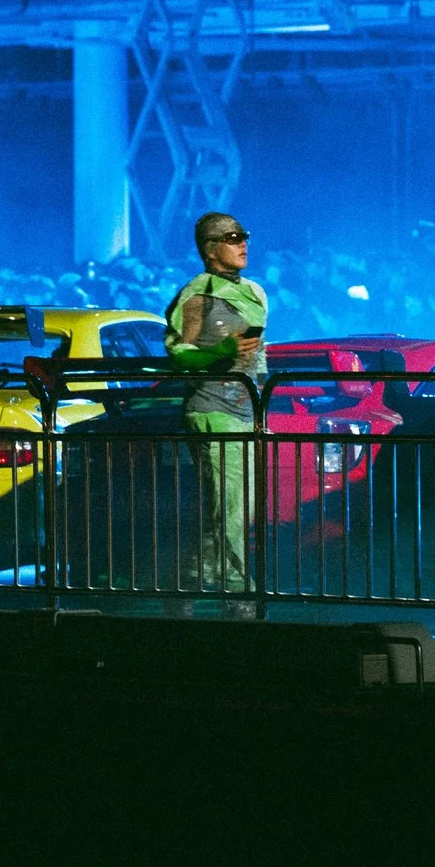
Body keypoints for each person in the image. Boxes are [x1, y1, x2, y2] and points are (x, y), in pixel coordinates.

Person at [164, 212, 268, 615]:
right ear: (210, 248)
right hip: (213, 411)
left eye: (244, 235)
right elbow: (178, 355)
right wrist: (221, 352)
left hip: (245, 411)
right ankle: (239, 594)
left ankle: (185, 585)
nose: (243, 243)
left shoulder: (255, 291)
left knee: (232, 508)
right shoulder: (197, 295)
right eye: (232, 237)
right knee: (231, 508)